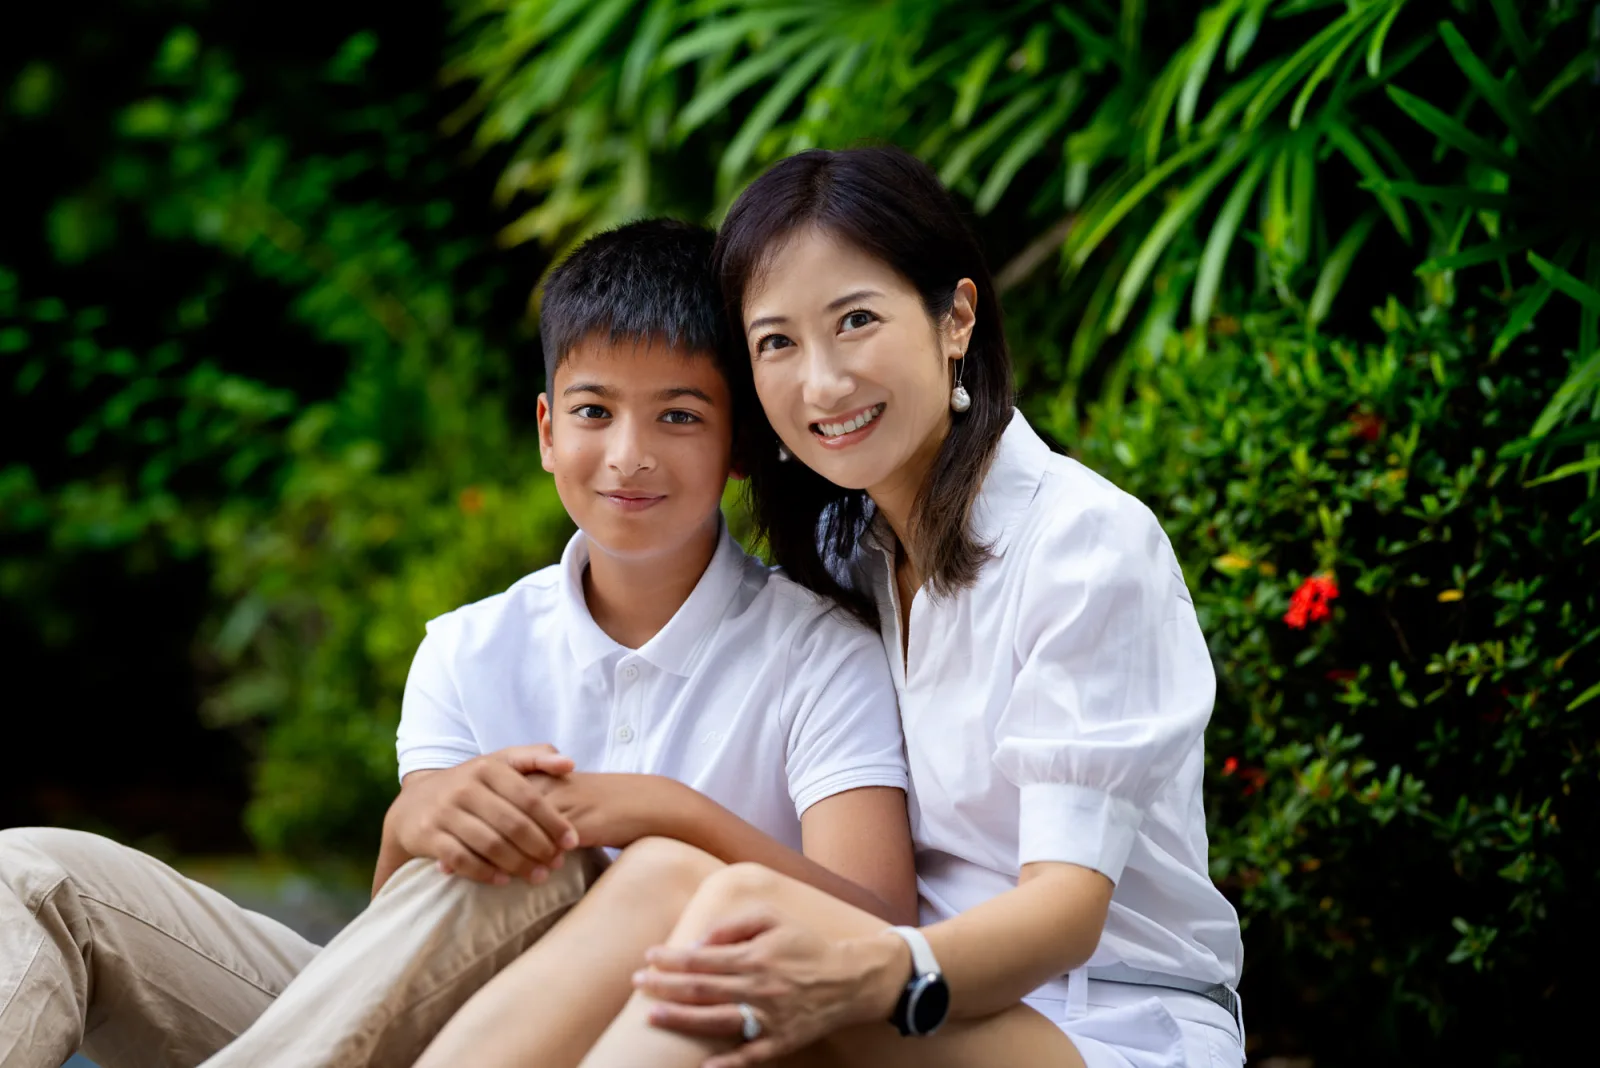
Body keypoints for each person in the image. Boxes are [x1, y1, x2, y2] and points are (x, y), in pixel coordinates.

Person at [0, 219, 915, 1068]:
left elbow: (882, 937)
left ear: (739, 445)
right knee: (35, 877)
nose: (629, 454)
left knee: (537, 850)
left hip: (651, 1034)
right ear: (547, 432)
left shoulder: (819, 654)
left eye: (678, 416)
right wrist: (412, 822)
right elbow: (397, 949)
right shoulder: (468, 647)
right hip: (413, 1033)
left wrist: (658, 812)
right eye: (594, 412)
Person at [434, 146, 1246, 1068]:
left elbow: (1064, 916)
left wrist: (862, 975)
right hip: (909, 1000)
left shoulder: (1083, 544)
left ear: (956, 319)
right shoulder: (844, 550)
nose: (821, 383)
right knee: (675, 888)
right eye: (777, 343)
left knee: (715, 902)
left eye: (855, 320)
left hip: (1103, 1022)